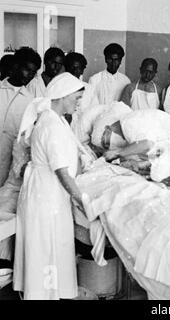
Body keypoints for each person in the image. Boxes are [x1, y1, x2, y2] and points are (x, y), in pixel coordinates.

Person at [13, 72, 86, 300]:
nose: (78, 104)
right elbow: (63, 173)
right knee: (46, 251)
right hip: (46, 196)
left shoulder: (56, 119)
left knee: (48, 252)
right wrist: (82, 201)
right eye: (76, 99)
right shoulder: (50, 126)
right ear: (63, 96)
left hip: (46, 194)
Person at [0, 47, 41, 262]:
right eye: (27, 70)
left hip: (10, 167)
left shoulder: (31, 102)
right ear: (15, 67)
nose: (29, 76)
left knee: (4, 212)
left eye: (33, 72)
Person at [65, 52, 99, 141]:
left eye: (78, 68)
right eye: (72, 67)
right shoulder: (60, 89)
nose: (74, 71)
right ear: (66, 68)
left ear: (82, 70)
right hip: (64, 136)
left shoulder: (89, 89)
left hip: (84, 138)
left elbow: (95, 115)